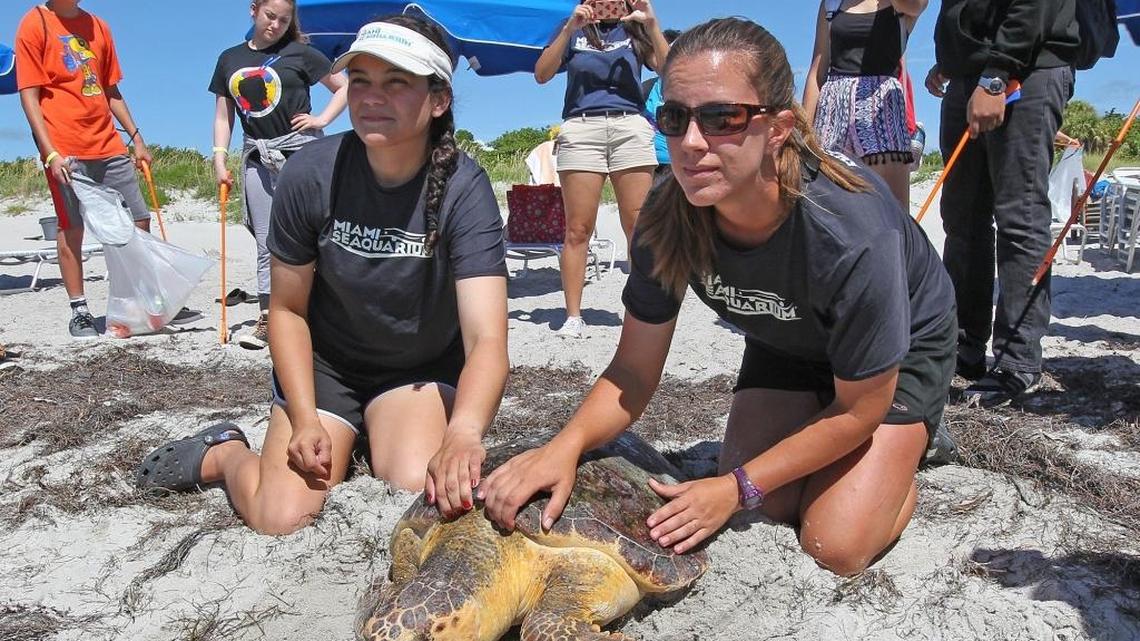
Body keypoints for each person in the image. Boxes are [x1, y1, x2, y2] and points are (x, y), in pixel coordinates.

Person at [478, 17, 958, 577]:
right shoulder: (668, 212)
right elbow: (633, 370)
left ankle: (913, 446)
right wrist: (562, 448)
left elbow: (859, 408)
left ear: (778, 128)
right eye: (674, 117)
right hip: (789, 336)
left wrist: (734, 487)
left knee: (835, 543)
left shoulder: (848, 231)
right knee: (772, 504)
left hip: (896, 358)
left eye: (722, 118)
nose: (691, 143)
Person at [137, 15, 509, 535]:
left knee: (410, 487)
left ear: (439, 99)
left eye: (396, 83)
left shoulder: (463, 187)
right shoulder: (310, 172)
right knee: (281, 517)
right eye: (360, 81)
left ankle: (373, 434)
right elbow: (287, 309)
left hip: (417, 369)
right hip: (327, 367)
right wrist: (307, 417)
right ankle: (223, 455)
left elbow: (487, 336)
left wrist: (466, 430)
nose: (372, 97)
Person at [925, 0, 1077, 407]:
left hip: (1026, 69)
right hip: (968, 76)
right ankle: (964, 344)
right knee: (962, 218)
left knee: (1020, 214)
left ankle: (1018, 361)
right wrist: (953, 59)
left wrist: (996, 73)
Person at [210, 0, 348, 350]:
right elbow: (224, 117)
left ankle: (324, 313)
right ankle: (269, 318)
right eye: (270, 16)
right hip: (256, 152)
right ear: (253, 11)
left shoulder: (301, 52)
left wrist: (322, 120)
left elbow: (344, 87)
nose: (276, 24)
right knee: (266, 238)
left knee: (314, 231)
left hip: (300, 151)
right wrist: (219, 158)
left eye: (284, 20)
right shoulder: (230, 59)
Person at [15, 0, 155, 339]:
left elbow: (110, 89)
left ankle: (135, 302)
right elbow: (29, 96)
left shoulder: (99, 26)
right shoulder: (35, 23)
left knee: (138, 219)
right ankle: (79, 310)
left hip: (107, 142)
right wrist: (49, 153)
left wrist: (136, 137)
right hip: (63, 146)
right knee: (71, 227)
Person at [535, 0, 672, 338]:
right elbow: (541, 74)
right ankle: (573, 316)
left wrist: (652, 24)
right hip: (581, 128)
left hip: (630, 127)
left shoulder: (635, 29)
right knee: (578, 229)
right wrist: (570, 28)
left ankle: (643, 314)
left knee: (638, 226)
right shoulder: (573, 29)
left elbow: (670, 73)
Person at [803, 0, 927, 210]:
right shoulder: (831, 4)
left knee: (891, 217)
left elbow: (917, 5)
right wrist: (804, 133)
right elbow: (817, 71)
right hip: (832, 117)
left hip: (882, 116)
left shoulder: (901, 6)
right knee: (831, 214)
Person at [641, 28, 681, 179]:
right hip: (652, 166)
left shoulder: (696, 87)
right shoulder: (645, 89)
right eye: (652, 52)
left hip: (686, 164)